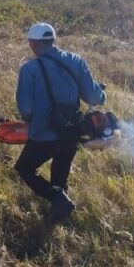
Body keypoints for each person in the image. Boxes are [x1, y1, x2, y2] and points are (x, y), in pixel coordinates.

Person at [14, 23, 106, 225]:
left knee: (25, 168)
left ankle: (58, 201)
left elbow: (26, 109)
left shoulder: (29, 69)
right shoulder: (75, 61)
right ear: (52, 40)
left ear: (33, 43)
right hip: (72, 131)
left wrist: (30, 121)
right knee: (60, 176)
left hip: (43, 133)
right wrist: (102, 94)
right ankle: (58, 218)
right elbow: (92, 96)